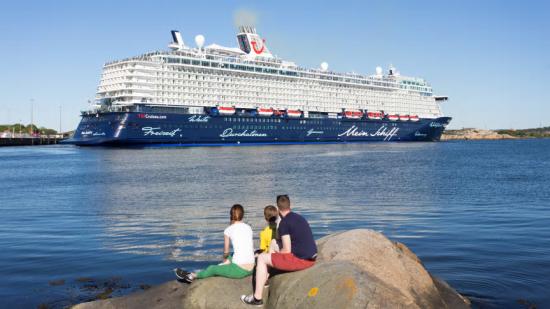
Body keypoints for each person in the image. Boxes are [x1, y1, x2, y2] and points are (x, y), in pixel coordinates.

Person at [241, 195, 317, 306]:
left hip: (302, 260)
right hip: (311, 256)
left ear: (278, 208)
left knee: (262, 258)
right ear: (290, 205)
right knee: (273, 242)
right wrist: (274, 254)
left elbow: (286, 250)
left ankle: (257, 299)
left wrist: (274, 256)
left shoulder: (284, 223)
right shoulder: (300, 217)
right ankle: (266, 277)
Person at [174, 204, 255, 283]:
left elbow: (226, 251)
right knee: (232, 255)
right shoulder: (248, 227)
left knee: (212, 268)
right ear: (242, 215)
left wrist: (225, 260)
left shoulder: (228, 230)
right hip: (252, 268)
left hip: (240, 270)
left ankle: (192, 276)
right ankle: (225, 265)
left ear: (231, 215)